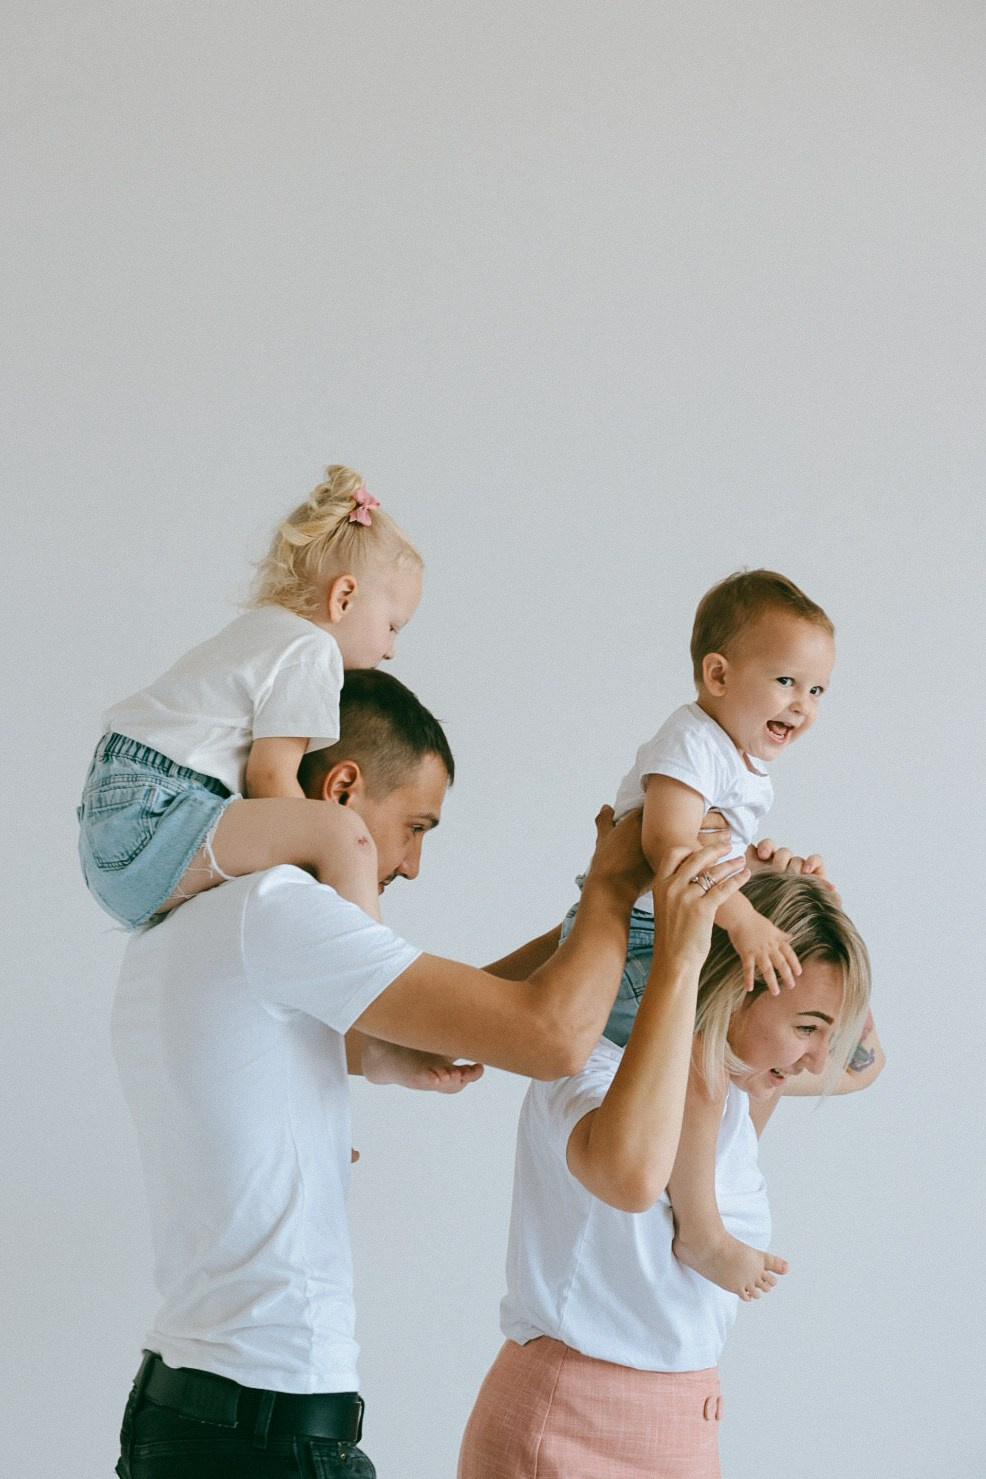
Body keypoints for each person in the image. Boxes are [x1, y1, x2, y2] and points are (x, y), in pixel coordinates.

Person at [111, 668, 746, 1479]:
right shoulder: (276, 906)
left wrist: (393, 1050)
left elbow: (449, 1014)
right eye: (415, 825)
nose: (410, 863)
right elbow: (551, 1035)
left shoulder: (180, 924)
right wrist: (614, 884)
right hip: (264, 1425)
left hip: (184, 1410)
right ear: (341, 788)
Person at [457, 867, 882, 1479]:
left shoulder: (742, 1090)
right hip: (565, 1425)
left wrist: (827, 917)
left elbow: (866, 1064)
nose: (818, 1056)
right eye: (807, 1027)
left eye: (827, 1031)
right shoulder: (591, 1078)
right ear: (736, 986)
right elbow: (627, 1177)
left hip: (682, 1428)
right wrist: (717, 927)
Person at [599, 568, 837, 1298]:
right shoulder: (694, 741)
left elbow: (713, 852)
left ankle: (726, 1176)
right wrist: (747, 915)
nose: (802, 705)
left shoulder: (740, 762)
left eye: (818, 691)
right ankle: (700, 1228)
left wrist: (766, 870)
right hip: (638, 943)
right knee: (705, 1059)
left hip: (671, 936)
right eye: (787, 681)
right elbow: (669, 846)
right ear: (718, 672)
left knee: (748, 1044)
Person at [78, 464, 422, 931]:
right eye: (392, 626)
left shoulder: (261, 629)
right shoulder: (311, 649)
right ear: (344, 597)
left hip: (112, 823)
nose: (390, 650)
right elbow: (270, 777)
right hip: (157, 812)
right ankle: (375, 971)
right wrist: (318, 866)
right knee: (342, 835)